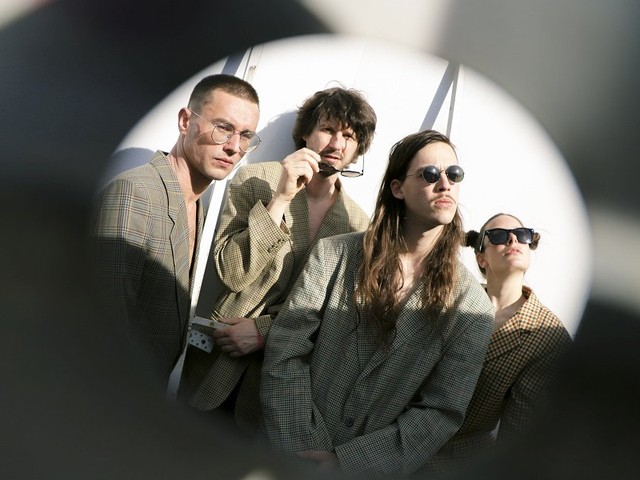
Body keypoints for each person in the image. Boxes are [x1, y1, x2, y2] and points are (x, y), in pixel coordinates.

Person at [259, 130, 495, 476]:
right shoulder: (335, 255)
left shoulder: (472, 307)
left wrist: (348, 464)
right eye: (430, 174)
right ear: (398, 188)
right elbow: (286, 349)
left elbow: (441, 411)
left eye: (453, 174)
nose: (445, 184)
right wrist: (301, 448)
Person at [183, 86, 377, 433]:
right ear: (306, 133)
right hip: (214, 365)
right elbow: (231, 272)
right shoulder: (256, 180)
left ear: (358, 147)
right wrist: (281, 199)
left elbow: (337, 317)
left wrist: (264, 331)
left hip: (278, 388)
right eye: (328, 129)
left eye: (349, 136)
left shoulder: (358, 224)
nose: (337, 143)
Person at [91, 74, 261, 389]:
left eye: (246, 135)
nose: (234, 147)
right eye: (223, 128)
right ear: (185, 121)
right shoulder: (135, 193)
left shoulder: (196, 206)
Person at [426, 213, 572, 473]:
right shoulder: (447, 298)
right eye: (499, 236)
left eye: (522, 234)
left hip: (458, 463)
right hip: (392, 438)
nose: (513, 239)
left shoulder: (547, 335)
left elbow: (518, 437)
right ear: (481, 258)